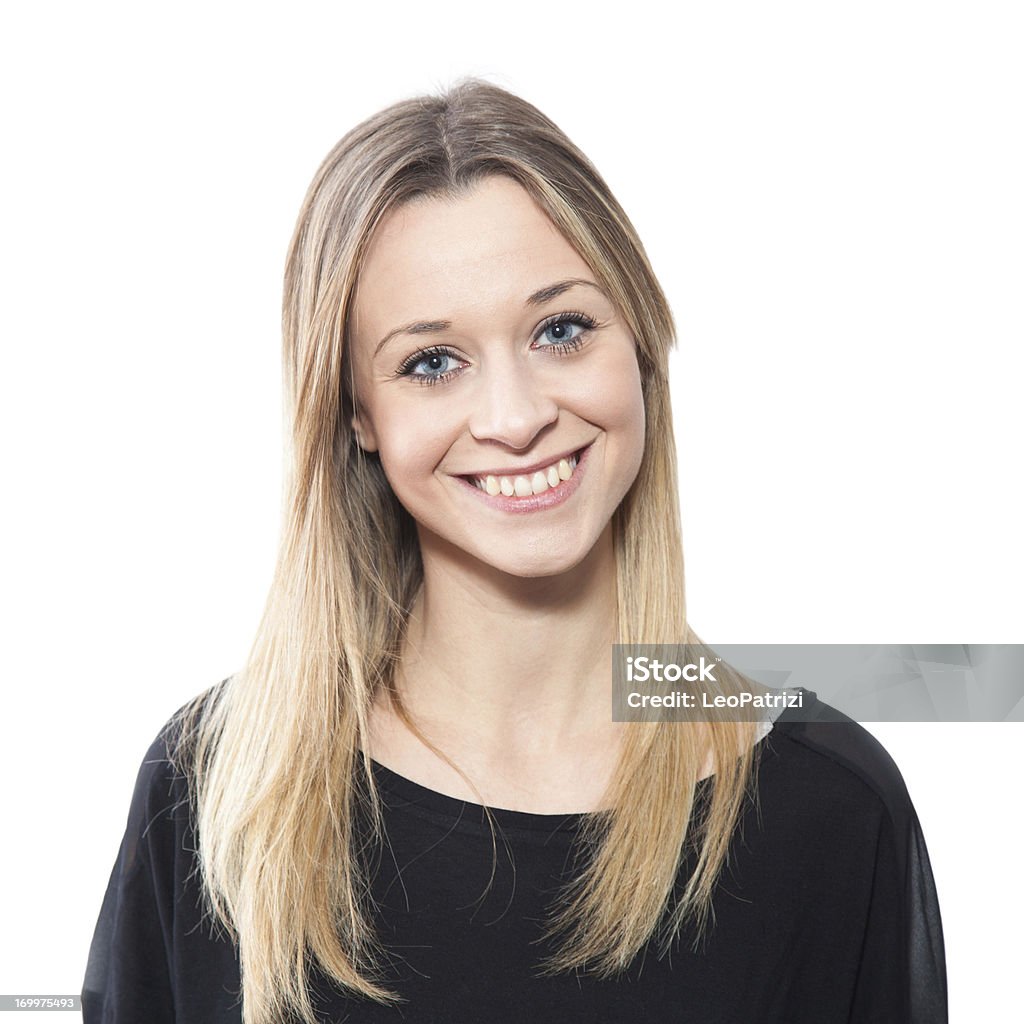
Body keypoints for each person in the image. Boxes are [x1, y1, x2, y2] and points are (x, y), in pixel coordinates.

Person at [82, 79, 948, 1023]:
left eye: (561, 331)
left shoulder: (831, 807)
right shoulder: (216, 796)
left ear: (641, 349)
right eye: (431, 362)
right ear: (359, 416)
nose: (516, 416)